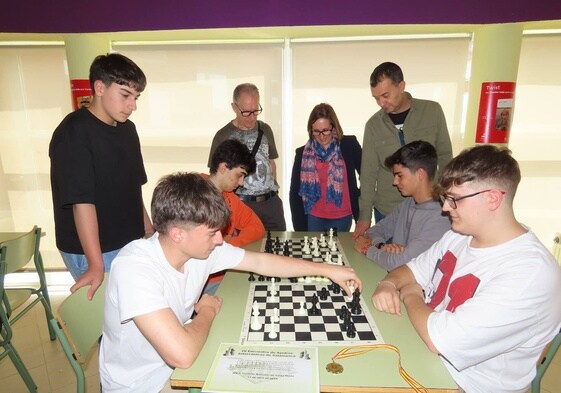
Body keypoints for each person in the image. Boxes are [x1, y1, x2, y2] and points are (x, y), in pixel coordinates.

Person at [100, 172, 361, 392]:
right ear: (177, 233)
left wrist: (328, 270)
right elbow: (182, 354)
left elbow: (261, 263)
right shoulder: (134, 269)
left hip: (176, 365)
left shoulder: (200, 250)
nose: (220, 241)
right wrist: (208, 311)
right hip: (141, 385)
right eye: (213, 233)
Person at [371, 145, 561, 393]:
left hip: (466, 385)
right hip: (426, 358)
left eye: (454, 200)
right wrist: (387, 283)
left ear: (492, 198)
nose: (445, 208)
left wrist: (410, 293)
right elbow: (409, 271)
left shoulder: (530, 274)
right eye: (445, 198)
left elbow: (439, 340)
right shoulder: (458, 236)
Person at [49, 53, 153, 300]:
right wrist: (95, 265)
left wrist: (148, 229)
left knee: (134, 315)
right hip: (92, 249)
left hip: (128, 239)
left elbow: (133, 185)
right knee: (109, 326)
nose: (133, 105)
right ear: (99, 87)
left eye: (136, 97)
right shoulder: (73, 133)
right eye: (125, 95)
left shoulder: (128, 129)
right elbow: (81, 203)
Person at [354, 61, 453, 239]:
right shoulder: (373, 125)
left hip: (430, 207)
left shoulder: (432, 111)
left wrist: (448, 196)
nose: (381, 103)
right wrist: (364, 216)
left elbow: (445, 156)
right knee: (391, 260)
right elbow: (368, 174)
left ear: (401, 86)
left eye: (385, 95)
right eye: (376, 98)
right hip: (388, 210)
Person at [354, 141, 450, 271]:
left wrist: (367, 249)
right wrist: (382, 246)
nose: (394, 182)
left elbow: (401, 264)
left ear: (420, 174)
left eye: (399, 176)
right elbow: (374, 231)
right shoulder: (408, 202)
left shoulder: (441, 217)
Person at [208, 83, 286, 231]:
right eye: (246, 112)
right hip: (241, 204)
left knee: (279, 246)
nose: (252, 118)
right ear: (234, 107)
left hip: (271, 203)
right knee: (245, 248)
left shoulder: (265, 129)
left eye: (256, 111)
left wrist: (274, 194)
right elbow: (215, 176)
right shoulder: (222, 136)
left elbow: (271, 163)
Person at [202, 139, 266, 295]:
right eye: (239, 175)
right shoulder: (193, 193)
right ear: (223, 167)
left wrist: (231, 245)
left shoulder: (230, 198)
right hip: (202, 284)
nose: (242, 183)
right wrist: (225, 245)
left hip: (226, 274)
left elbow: (257, 227)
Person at [289, 103, 361, 232]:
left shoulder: (349, 146)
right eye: (316, 131)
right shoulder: (302, 154)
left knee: (339, 252)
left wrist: (362, 207)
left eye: (325, 130)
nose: (321, 136)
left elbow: (367, 176)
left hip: (342, 216)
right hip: (313, 217)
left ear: (333, 127)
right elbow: (295, 192)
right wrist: (299, 228)